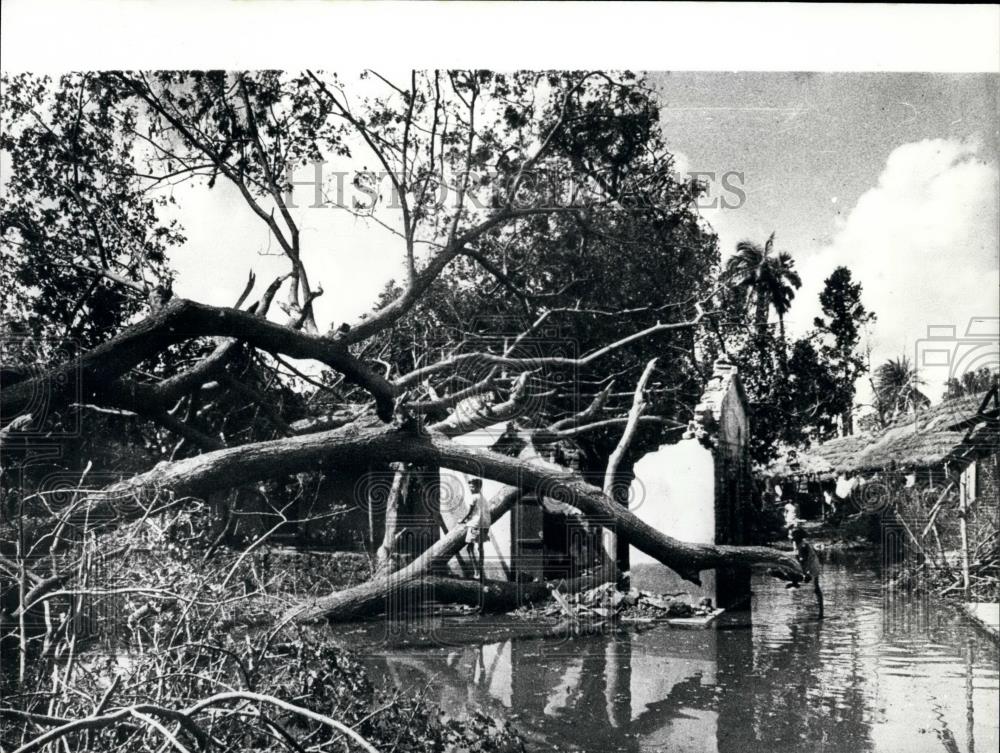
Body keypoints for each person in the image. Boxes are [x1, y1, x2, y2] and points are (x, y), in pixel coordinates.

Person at [459, 477, 489, 608]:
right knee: (480, 547)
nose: (471, 488)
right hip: (485, 524)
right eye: (470, 486)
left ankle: (476, 571)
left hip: (475, 524)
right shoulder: (484, 498)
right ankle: (480, 570)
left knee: (469, 548)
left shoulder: (474, 497)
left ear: (478, 487)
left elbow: (470, 512)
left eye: (473, 486)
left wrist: (463, 520)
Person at [789, 527, 824, 618]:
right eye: (792, 535)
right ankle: (795, 583)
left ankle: (821, 612)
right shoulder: (795, 543)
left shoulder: (803, 545)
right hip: (808, 563)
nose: (792, 537)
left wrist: (805, 572)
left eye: (794, 535)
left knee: (816, 587)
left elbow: (803, 559)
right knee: (815, 586)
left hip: (812, 565)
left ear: (800, 537)